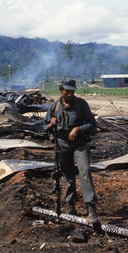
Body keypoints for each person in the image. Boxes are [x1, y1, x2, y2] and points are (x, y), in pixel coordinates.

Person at [45, 79, 100, 228]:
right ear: (60, 90)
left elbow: (92, 125)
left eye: (72, 91)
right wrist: (51, 124)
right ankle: (70, 206)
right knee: (67, 176)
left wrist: (78, 129)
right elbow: (45, 126)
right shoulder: (54, 106)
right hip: (62, 145)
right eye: (67, 91)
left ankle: (91, 208)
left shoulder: (81, 104)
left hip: (79, 144)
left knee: (85, 172)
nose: (70, 94)